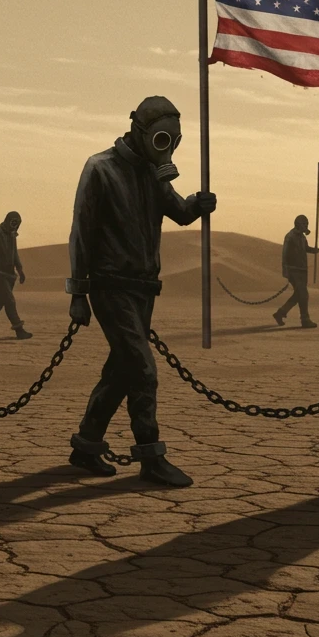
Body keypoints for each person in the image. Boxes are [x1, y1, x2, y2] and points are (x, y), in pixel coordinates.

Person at [65, 95, 217, 487]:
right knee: (144, 371)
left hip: (144, 289)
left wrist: (198, 205)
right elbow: (81, 234)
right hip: (110, 286)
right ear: (140, 131)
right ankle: (151, 456)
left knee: (121, 371)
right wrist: (78, 293)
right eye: (163, 139)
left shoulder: (152, 174)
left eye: (175, 141)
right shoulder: (100, 169)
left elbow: (179, 212)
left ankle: (87, 443)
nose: (167, 148)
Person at [0, 211, 32, 339]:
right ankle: (19, 329)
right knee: (9, 301)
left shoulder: (12, 235)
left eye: (18, 223)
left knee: (0, 301)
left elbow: (15, 253)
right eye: (13, 222)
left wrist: (20, 270)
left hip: (10, 275)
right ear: (8, 220)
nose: (15, 226)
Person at [273, 214, 319, 328]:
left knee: (299, 294)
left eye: (307, 224)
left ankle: (281, 313)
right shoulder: (290, 236)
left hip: (302, 270)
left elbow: (305, 248)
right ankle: (305, 319)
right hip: (293, 270)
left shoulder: (302, 237)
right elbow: (285, 254)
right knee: (303, 294)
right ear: (298, 224)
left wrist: (313, 250)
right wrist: (286, 270)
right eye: (304, 223)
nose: (306, 226)